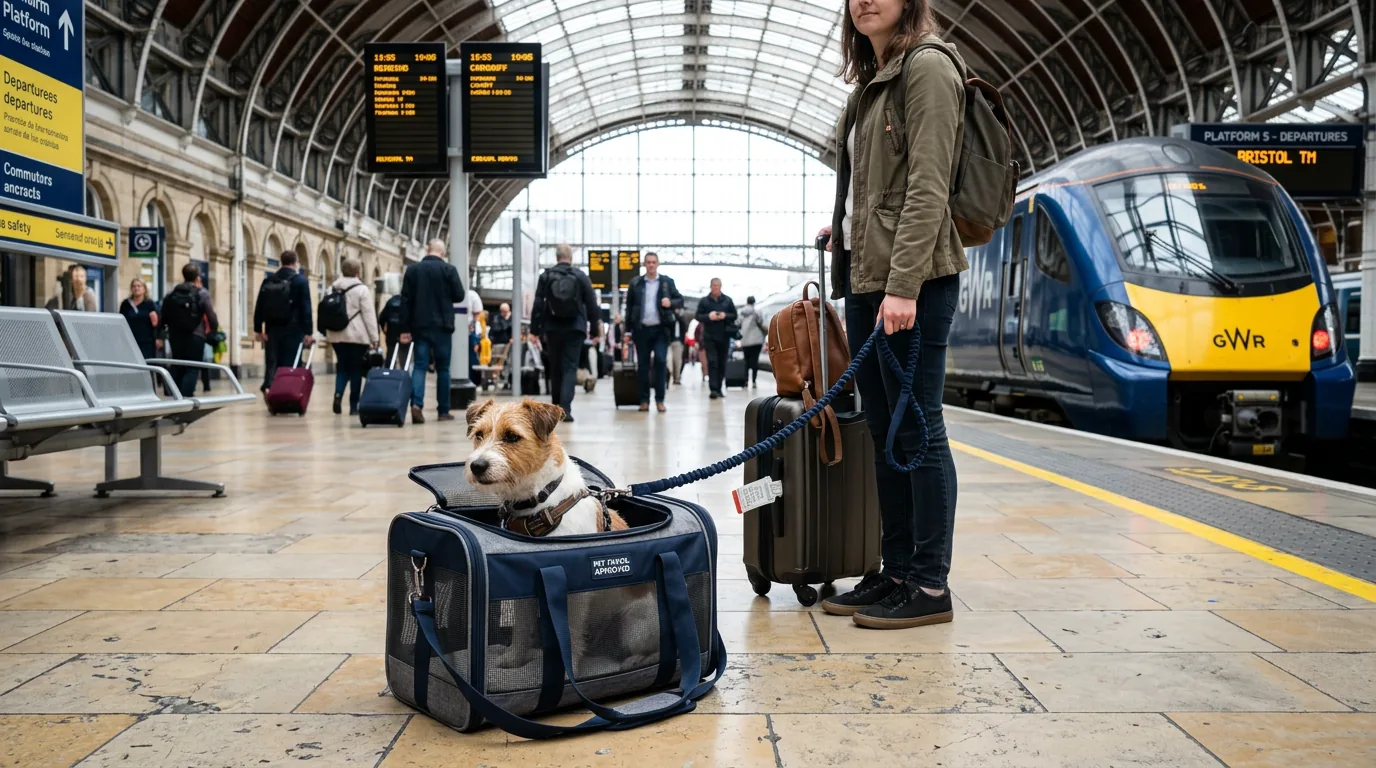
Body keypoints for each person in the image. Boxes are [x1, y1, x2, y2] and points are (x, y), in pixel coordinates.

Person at [815, 0, 968, 630]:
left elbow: (930, 184)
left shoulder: (927, 67)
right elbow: (880, 186)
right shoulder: (875, 82)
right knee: (884, 429)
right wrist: (848, 230)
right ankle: (898, 568)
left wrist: (902, 286)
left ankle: (931, 585)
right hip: (867, 277)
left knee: (919, 429)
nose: (862, 0)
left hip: (913, 284)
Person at [531, 243, 600, 422]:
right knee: (570, 367)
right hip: (575, 327)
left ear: (556, 257)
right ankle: (565, 409)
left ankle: (555, 407)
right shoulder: (580, 276)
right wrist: (594, 331)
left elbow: (538, 303)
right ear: (571, 257)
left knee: (555, 367)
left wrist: (534, 330)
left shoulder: (546, 275)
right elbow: (592, 304)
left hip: (552, 328)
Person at [399, 238, 465, 424]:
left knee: (420, 365)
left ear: (427, 250)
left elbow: (405, 300)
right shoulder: (449, 270)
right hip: (443, 326)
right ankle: (443, 410)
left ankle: (417, 404)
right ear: (442, 253)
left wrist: (404, 329)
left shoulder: (413, 270)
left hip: (419, 326)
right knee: (443, 368)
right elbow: (459, 295)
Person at [623, 252, 684, 412]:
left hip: (660, 330)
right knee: (642, 365)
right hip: (641, 330)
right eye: (648, 262)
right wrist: (627, 332)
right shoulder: (635, 283)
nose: (651, 265)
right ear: (644, 264)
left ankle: (660, 400)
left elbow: (680, 300)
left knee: (660, 361)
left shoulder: (666, 282)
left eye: (653, 262)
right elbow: (629, 309)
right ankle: (644, 400)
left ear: (657, 264)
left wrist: (670, 302)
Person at [324, 257, 380, 415]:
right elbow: (369, 316)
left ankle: (337, 395)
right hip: (357, 337)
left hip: (336, 335)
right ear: (358, 272)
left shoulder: (332, 288)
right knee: (355, 370)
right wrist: (374, 338)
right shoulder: (362, 289)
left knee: (342, 368)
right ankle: (354, 406)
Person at [254, 250, 314, 393]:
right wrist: (308, 332)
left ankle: (270, 387)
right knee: (291, 362)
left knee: (273, 362)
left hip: (272, 329)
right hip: (294, 329)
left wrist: (258, 329)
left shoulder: (269, 280)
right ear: (295, 262)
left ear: (281, 262)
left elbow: (260, 305)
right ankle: (287, 393)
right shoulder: (300, 281)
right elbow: (306, 307)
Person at [161, 263, 218, 397]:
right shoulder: (202, 293)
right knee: (192, 368)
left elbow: (164, 315)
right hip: (196, 336)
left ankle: (174, 395)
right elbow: (211, 316)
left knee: (177, 364)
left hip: (175, 336)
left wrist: (162, 333)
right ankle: (186, 397)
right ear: (197, 277)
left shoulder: (172, 293)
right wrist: (212, 333)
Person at [694, 278, 737, 399]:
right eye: (714, 285)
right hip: (709, 336)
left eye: (718, 285)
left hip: (724, 336)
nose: (716, 288)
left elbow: (734, 315)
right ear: (710, 286)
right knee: (712, 362)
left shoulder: (728, 301)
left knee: (722, 362)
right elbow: (698, 316)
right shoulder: (704, 301)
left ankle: (719, 388)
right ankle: (713, 389)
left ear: (721, 286)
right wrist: (709, 316)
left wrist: (725, 316)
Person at [119, 278, 161, 361]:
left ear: (144, 289)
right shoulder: (126, 304)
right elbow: (121, 321)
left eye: (139, 286)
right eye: (134, 286)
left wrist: (158, 337)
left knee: (147, 363)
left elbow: (158, 323)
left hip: (147, 341)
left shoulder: (150, 304)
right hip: (130, 340)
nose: (136, 288)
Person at [738, 295, 768, 387]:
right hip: (756, 340)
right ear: (754, 302)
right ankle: (754, 381)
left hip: (745, 340)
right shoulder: (757, 312)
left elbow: (737, 324)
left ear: (746, 302)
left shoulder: (741, 313)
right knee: (755, 361)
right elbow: (761, 322)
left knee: (746, 361)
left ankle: (746, 380)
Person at [378, 293, 406, 362]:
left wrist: (384, 330)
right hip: (404, 331)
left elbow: (381, 318)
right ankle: (404, 371)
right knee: (404, 355)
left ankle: (390, 370)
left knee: (390, 354)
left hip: (391, 332)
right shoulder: (405, 303)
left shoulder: (389, 303)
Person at [668, 308, 690, 385]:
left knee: (677, 361)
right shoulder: (668, 315)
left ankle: (677, 378)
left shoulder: (682, 317)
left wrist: (678, 315)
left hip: (678, 341)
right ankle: (669, 377)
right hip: (668, 341)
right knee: (669, 361)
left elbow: (685, 326)